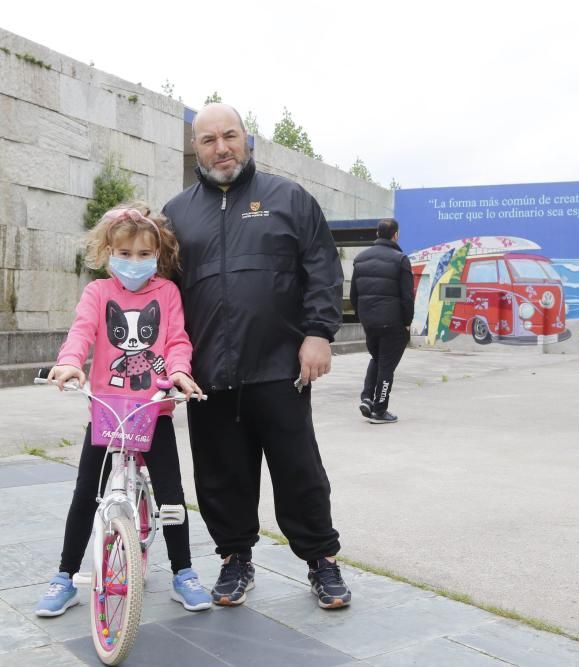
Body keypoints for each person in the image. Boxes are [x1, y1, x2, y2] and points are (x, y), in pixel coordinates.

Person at [163, 103, 351, 609]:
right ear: (195, 148)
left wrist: (318, 334)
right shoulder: (176, 214)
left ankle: (322, 562)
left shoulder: (289, 198)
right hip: (208, 374)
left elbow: (323, 269)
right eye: (208, 140)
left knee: (298, 470)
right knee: (221, 473)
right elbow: (162, 293)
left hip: (280, 367)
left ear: (247, 140)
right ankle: (235, 560)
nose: (220, 148)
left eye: (229, 136)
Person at [35, 203, 212, 617]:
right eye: (125, 254)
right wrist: (69, 362)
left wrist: (180, 372)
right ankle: (64, 577)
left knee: (171, 496)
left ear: (159, 255)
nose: (135, 263)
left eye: (145, 254)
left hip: (155, 409)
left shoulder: (167, 293)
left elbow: (177, 341)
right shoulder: (97, 293)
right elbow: (82, 332)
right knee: (85, 493)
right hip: (106, 410)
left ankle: (184, 574)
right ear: (108, 252)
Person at [349, 218, 414, 424]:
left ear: (377, 234)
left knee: (377, 359)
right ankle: (379, 409)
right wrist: (407, 321)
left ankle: (367, 399)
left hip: (370, 322)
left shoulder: (360, 259)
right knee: (386, 365)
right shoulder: (401, 259)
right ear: (395, 235)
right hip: (393, 323)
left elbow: (354, 295)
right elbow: (407, 297)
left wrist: (364, 316)